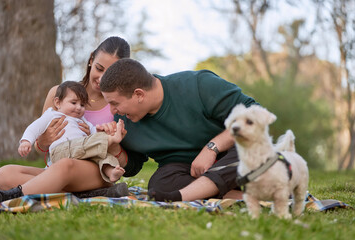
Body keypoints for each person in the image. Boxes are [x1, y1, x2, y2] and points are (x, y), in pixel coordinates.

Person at [98, 58, 259, 202]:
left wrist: (212, 147)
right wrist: (114, 147)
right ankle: (244, 197)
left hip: (231, 158)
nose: (112, 111)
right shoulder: (124, 121)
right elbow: (132, 166)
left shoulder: (199, 85)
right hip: (187, 172)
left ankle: (185, 196)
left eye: (115, 103)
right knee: (159, 185)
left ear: (139, 94)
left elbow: (255, 114)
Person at [0, 36, 130, 204]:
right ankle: (86, 194)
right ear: (91, 60)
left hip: (96, 170)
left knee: (66, 165)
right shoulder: (58, 93)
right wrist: (43, 141)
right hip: (56, 167)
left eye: (110, 73)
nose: (102, 78)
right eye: (99, 68)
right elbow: (41, 148)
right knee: (3, 175)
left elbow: (123, 161)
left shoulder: (118, 104)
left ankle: (12, 196)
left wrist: (111, 140)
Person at [18, 81, 127, 183]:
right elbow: (35, 127)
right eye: (73, 103)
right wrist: (26, 141)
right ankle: (111, 140)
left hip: (81, 153)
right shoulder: (52, 115)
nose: (79, 108)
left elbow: (94, 133)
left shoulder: (82, 120)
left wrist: (99, 131)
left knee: (101, 154)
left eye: (82, 105)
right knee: (91, 145)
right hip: (62, 150)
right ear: (58, 102)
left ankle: (111, 172)